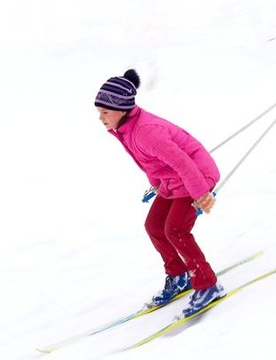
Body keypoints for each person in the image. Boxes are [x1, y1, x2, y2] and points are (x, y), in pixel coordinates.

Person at [94, 69, 225, 317]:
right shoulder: (125, 128)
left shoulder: (146, 131)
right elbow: (149, 161)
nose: (100, 118)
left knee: (175, 229)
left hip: (195, 176)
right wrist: (156, 183)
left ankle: (208, 285)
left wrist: (201, 195)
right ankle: (179, 277)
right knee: (154, 226)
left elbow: (184, 163)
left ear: (121, 109)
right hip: (174, 179)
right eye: (99, 112)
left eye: (105, 112)